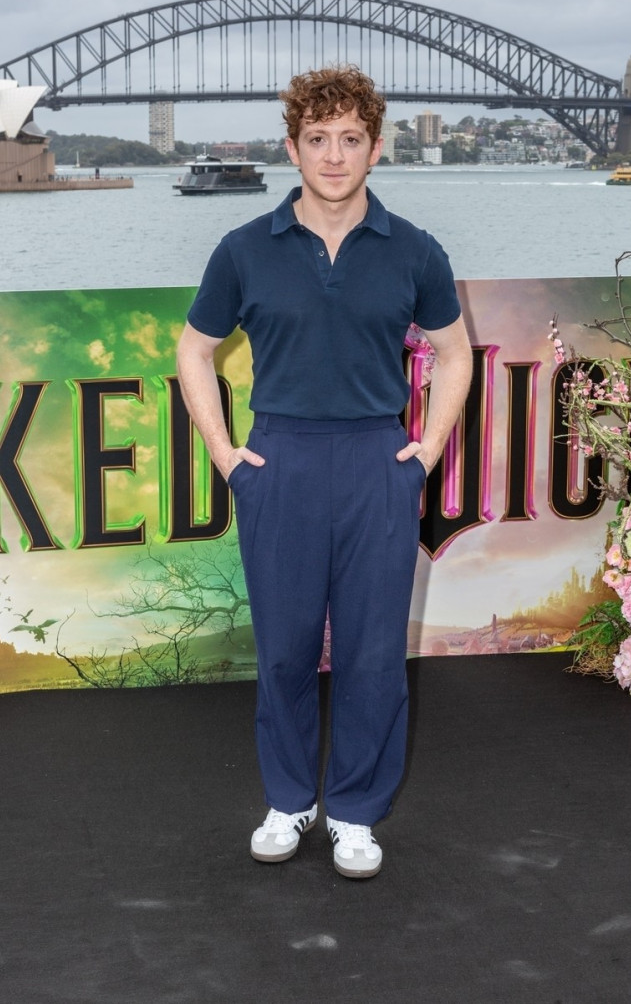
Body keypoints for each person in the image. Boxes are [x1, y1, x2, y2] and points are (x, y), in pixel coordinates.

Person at [176, 65, 472, 879]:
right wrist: (224, 451)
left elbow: (454, 354)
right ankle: (288, 800)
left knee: (376, 654)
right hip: (282, 462)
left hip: (379, 461)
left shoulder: (415, 250)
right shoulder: (243, 249)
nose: (334, 156)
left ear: (376, 148)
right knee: (283, 650)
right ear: (292, 148)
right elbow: (194, 349)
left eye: (350, 140)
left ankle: (355, 812)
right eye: (318, 140)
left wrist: (427, 448)